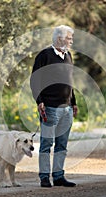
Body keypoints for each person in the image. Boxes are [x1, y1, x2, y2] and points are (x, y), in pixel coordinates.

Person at [30, 25, 78, 188]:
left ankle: (58, 176)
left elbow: (69, 82)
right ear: (59, 38)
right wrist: (39, 101)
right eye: (69, 38)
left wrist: (74, 102)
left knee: (62, 144)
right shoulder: (44, 55)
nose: (71, 41)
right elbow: (35, 80)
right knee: (46, 144)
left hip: (67, 109)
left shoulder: (68, 56)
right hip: (49, 107)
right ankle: (44, 176)